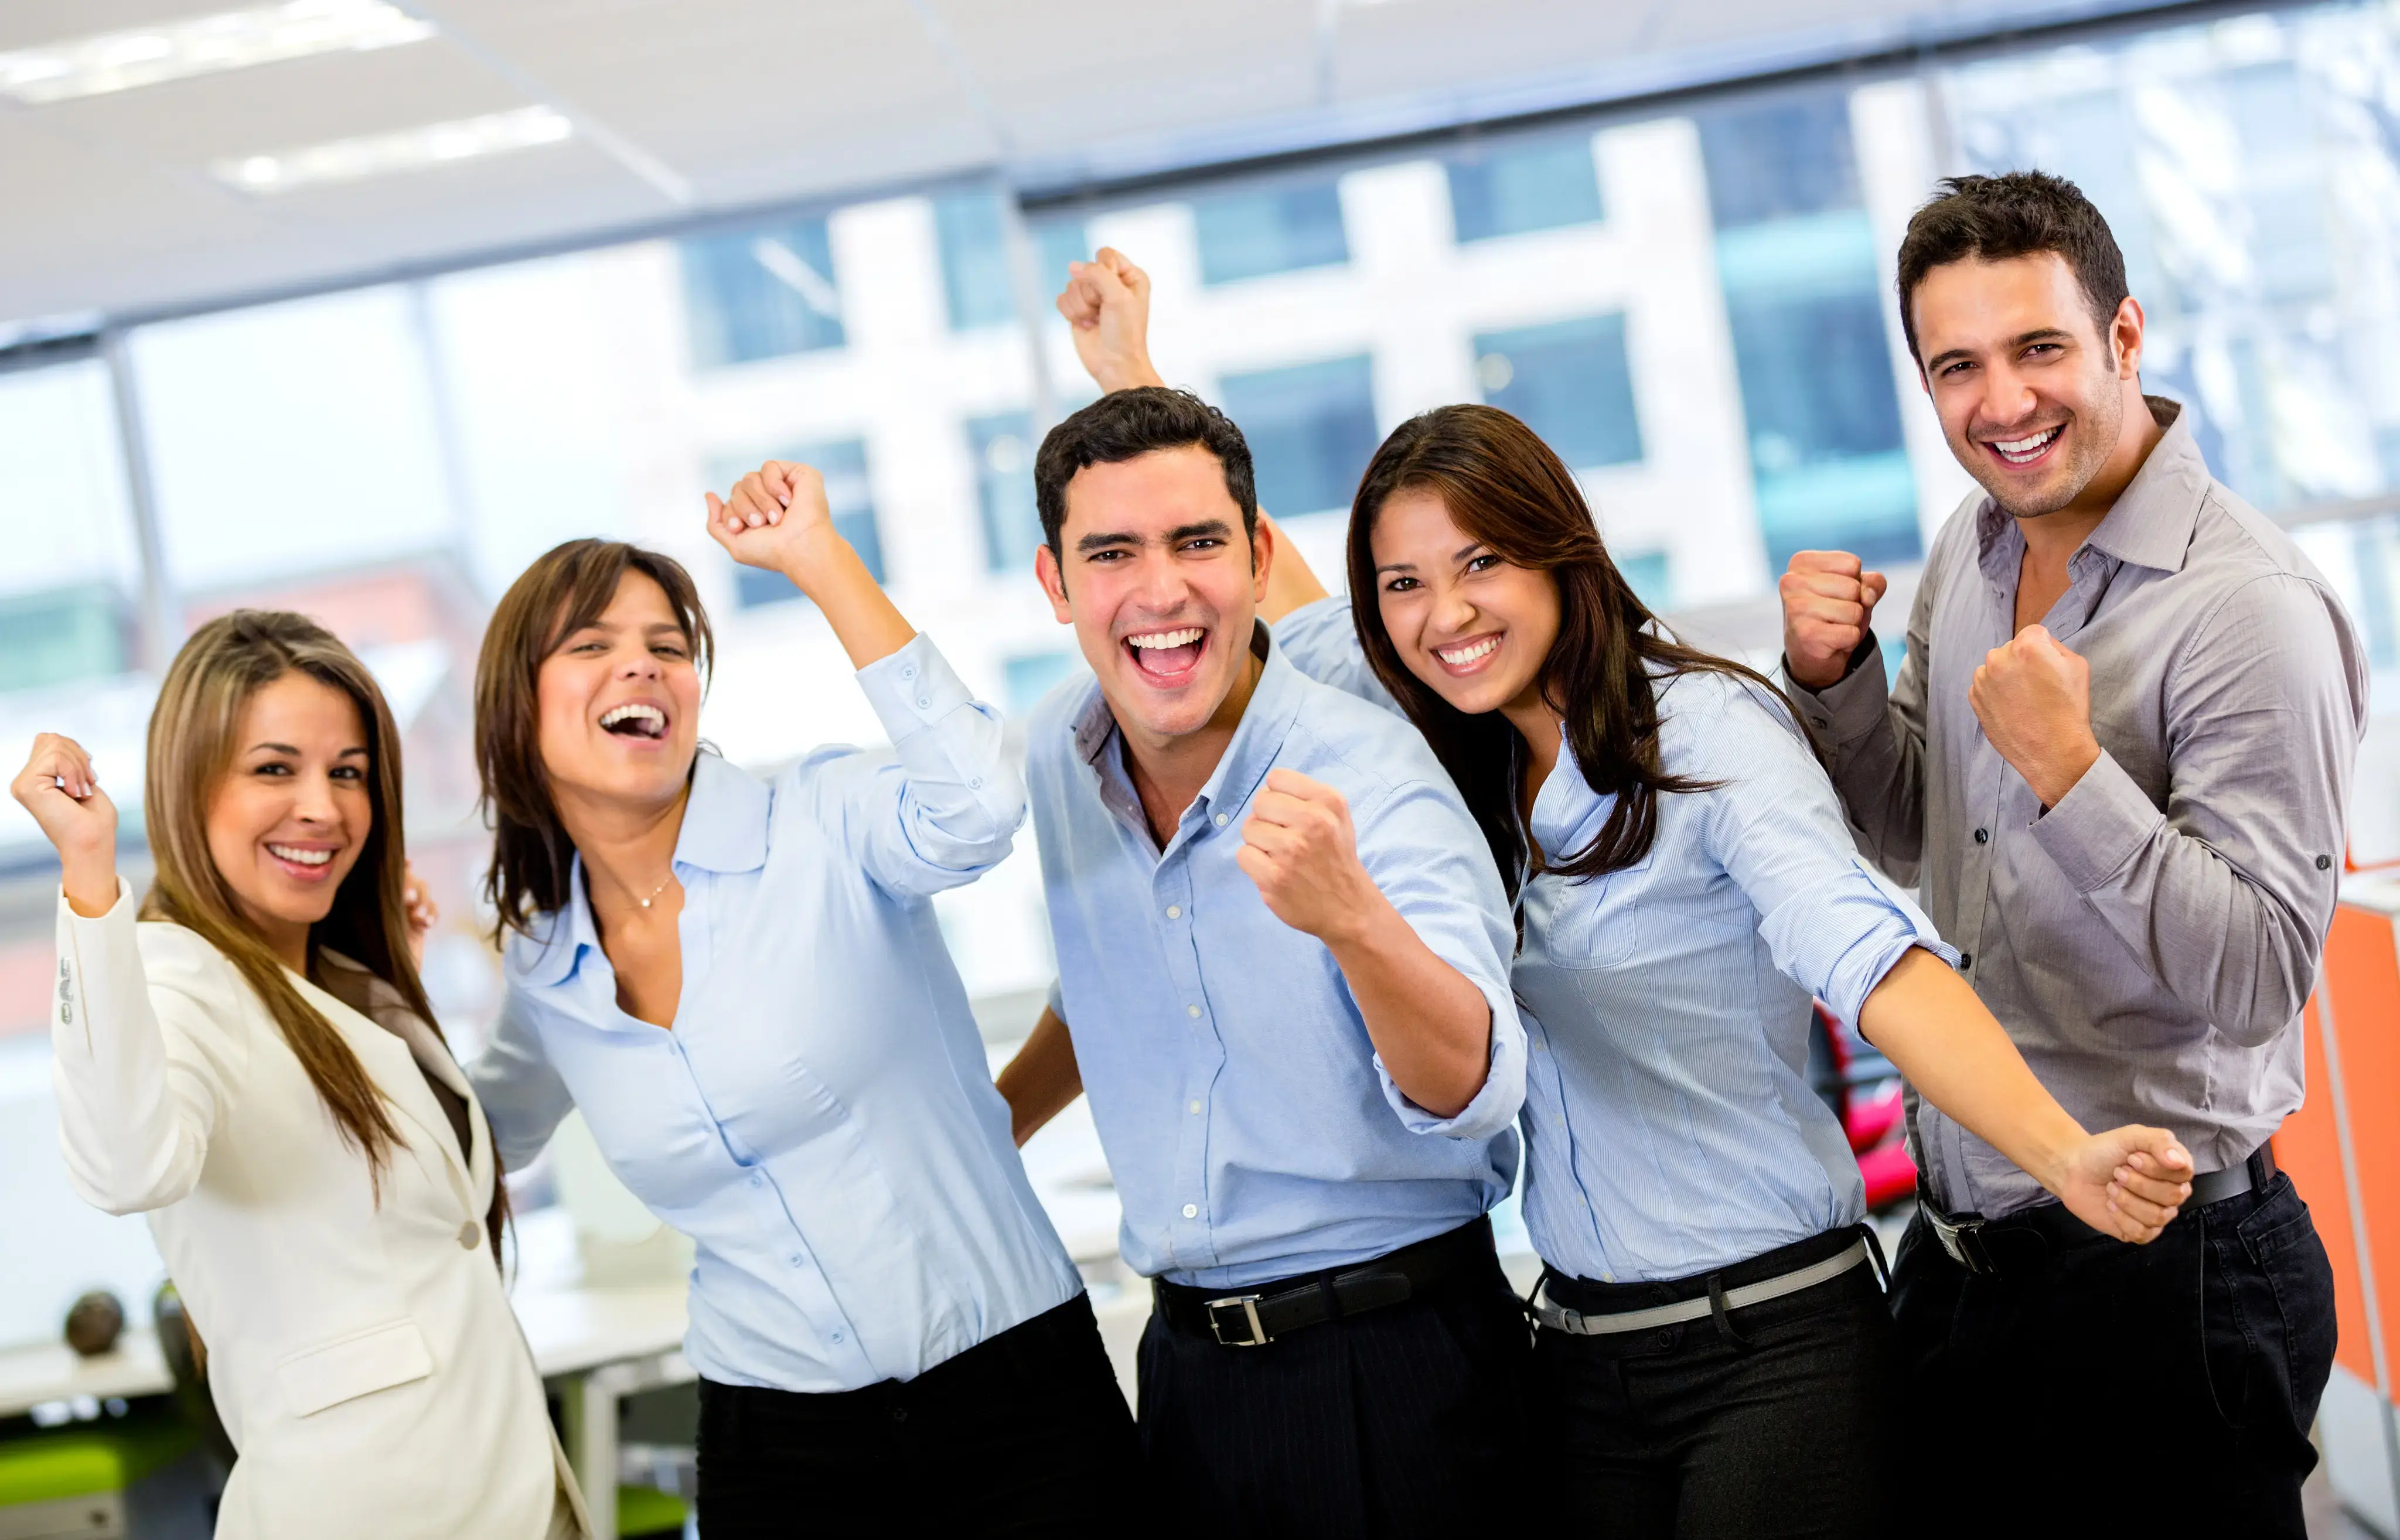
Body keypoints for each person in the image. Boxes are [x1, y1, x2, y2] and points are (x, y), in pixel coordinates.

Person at [1054, 250, 2196, 1536]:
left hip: (1775, 1348)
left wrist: (2061, 1151)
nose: (1445, 614)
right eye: (1405, 584)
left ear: (1557, 556)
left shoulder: (1701, 733)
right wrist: (1133, 384)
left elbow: (1868, 959)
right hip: (1578, 1357)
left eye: (1481, 563)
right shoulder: (1434, 733)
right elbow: (1247, 586)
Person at [1778, 171, 2363, 1535]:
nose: (2002, 401)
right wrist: (1833, 683)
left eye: (2037, 347)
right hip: (1970, 1257)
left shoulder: (2245, 608)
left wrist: (2072, 770)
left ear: (2121, 335)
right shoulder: (1971, 551)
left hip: (2170, 1273)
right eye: (1956, 367)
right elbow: (1916, 830)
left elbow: (2263, 976)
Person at [463, 478, 1136, 1538]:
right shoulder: (544, 964)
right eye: (591, 645)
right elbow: (465, 1145)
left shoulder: (817, 820)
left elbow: (979, 803)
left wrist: (820, 557)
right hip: (773, 1440)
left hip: (1013, 1395)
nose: (641, 663)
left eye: (667, 645)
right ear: (518, 705)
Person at [969, 375, 1534, 1535]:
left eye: (1197, 543)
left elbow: (1470, 1089)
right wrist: (974, 1139)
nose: (1161, 591)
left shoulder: (1365, 774)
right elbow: (1113, 996)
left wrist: (1351, 918)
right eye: (1113, 553)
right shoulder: (1056, 763)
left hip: (1402, 1366)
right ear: (1054, 584)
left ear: (1256, 551)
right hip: (1187, 1378)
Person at [12, 611, 587, 1540]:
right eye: (275, 768)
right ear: (191, 784)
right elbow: (126, 1168)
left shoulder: (347, 984)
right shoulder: (174, 973)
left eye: (348, 772)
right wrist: (88, 880)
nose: (322, 806)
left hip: (505, 1485)